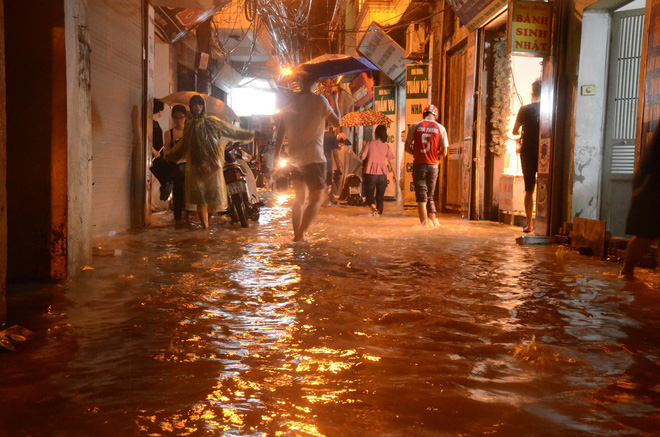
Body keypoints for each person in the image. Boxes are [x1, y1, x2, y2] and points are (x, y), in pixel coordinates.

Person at [165, 95, 254, 229]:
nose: (197, 108)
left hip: (213, 166)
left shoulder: (212, 122)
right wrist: (171, 156)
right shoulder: (189, 126)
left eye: (199, 105)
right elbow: (183, 146)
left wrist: (245, 135)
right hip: (195, 167)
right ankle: (205, 227)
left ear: (203, 107)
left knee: (213, 199)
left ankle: (208, 221)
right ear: (191, 108)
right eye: (194, 105)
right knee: (201, 198)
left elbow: (228, 131)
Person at [275, 73, 341, 242]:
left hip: (295, 159)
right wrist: (334, 100)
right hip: (314, 158)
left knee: (299, 199)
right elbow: (337, 122)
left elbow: (281, 131)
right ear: (317, 81)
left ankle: (298, 236)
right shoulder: (320, 100)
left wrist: (276, 157)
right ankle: (299, 236)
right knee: (317, 198)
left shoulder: (289, 102)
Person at [620, 124, 660, 280]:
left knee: (644, 233)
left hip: (650, 180)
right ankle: (627, 272)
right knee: (644, 233)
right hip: (652, 182)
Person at [404, 104, 448, 228]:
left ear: (424, 114)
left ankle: (424, 227)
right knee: (430, 196)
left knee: (421, 199)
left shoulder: (415, 126)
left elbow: (407, 147)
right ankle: (435, 223)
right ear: (435, 115)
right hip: (433, 166)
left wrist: (417, 154)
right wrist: (434, 155)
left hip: (419, 165)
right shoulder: (441, 128)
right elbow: (444, 152)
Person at [512, 79, 541, 233]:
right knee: (545, 187)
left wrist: (519, 140)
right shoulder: (549, 109)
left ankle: (529, 224)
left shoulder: (524, 109)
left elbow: (514, 131)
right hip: (545, 153)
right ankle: (545, 223)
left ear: (532, 93)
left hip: (527, 152)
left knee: (529, 189)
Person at [360, 124, 396, 216]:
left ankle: (374, 209)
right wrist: (395, 175)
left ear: (375, 133)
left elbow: (362, 157)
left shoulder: (369, 144)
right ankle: (378, 213)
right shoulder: (386, 147)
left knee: (369, 198)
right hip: (382, 176)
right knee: (380, 198)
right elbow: (391, 162)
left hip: (370, 174)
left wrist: (363, 147)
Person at [163, 105, 188, 225]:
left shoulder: (189, 132)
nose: (178, 120)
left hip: (189, 165)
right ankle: (178, 218)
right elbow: (167, 152)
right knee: (178, 193)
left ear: (185, 117)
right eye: (176, 118)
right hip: (176, 167)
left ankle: (187, 216)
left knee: (189, 192)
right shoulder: (169, 134)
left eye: (181, 117)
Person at [323, 125, 339, 204]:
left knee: (316, 189)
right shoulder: (332, 137)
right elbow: (335, 153)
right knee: (326, 188)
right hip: (327, 165)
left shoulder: (315, 135)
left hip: (315, 164)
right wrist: (338, 166)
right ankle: (325, 209)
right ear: (328, 126)